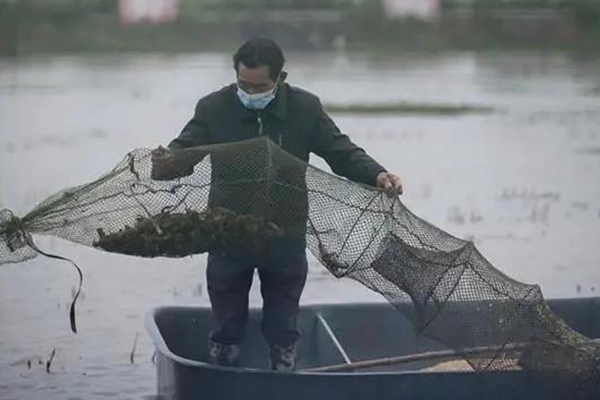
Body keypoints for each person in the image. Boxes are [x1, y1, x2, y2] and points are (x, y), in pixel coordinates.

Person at [152, 37, 402, 371]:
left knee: (283, 322)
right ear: (235, 75)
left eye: (260, 87)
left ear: (279, 79)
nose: (251, 93)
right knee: (227, 321)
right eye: (244, 85)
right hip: (228, 232)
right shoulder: (213, 108)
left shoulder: (305, 108)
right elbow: (184, 150)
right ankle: (222, 369)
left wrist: (378, 174)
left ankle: (283, 372)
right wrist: (166, 162)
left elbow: (341, 152)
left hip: (285, 231)